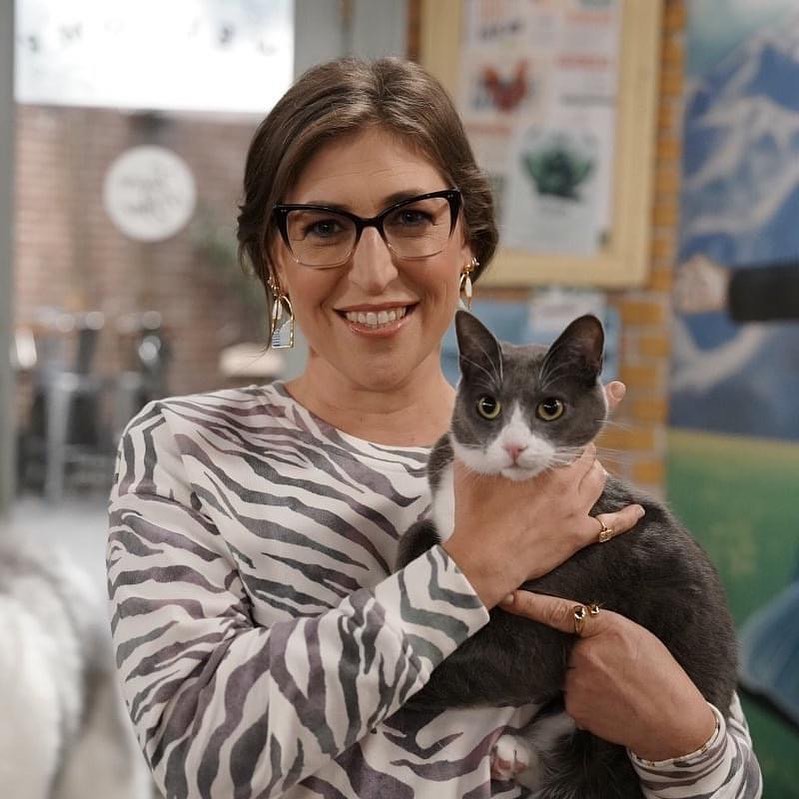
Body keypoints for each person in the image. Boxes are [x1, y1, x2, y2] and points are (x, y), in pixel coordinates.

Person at [107, 58, 762, 798]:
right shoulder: (187, 449)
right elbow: (194, 757)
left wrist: (678, 735)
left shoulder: (561, 474)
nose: (374, 269)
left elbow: (729, 780)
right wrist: (470, 565)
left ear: (468, 244)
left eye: (411, 218)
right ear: (273, 260)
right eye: (323, 226)